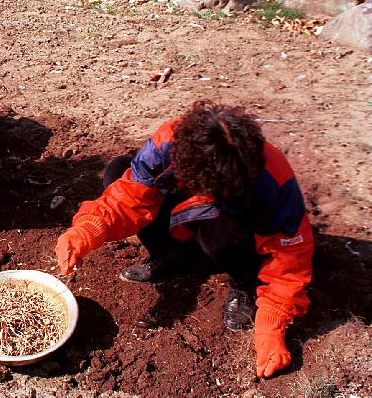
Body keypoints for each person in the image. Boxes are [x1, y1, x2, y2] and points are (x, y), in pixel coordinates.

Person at [55, 101, 313, 379]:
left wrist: (271, 327)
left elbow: (288, 263)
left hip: (231, 226)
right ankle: (171, 254)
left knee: (224, 237)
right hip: (191, 205)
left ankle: (243, 284)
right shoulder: (169, 144)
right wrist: (88, 229)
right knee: (117, 171)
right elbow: (129, 197)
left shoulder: (273, 182)